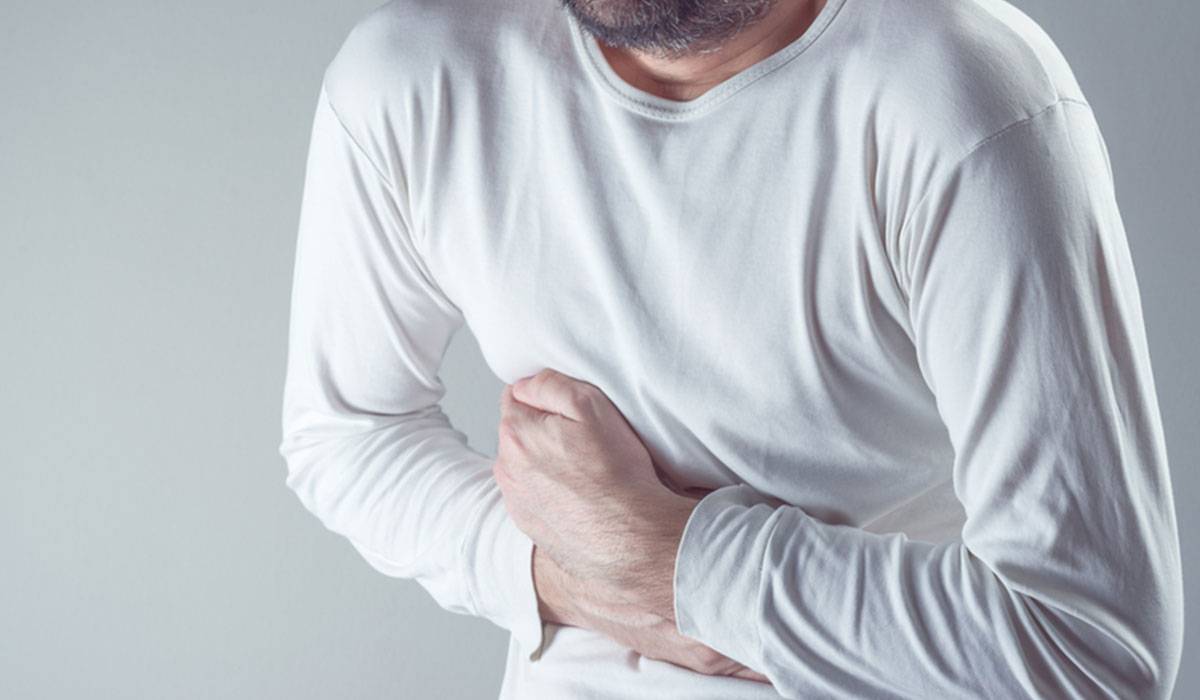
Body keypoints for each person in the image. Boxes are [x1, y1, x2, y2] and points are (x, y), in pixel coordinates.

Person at [277, 0, 1184, 696]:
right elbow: (346, 435)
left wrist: (675, 561)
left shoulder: (962, 93)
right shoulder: (415, 72)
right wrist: (565, 574)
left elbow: (1090, 649)